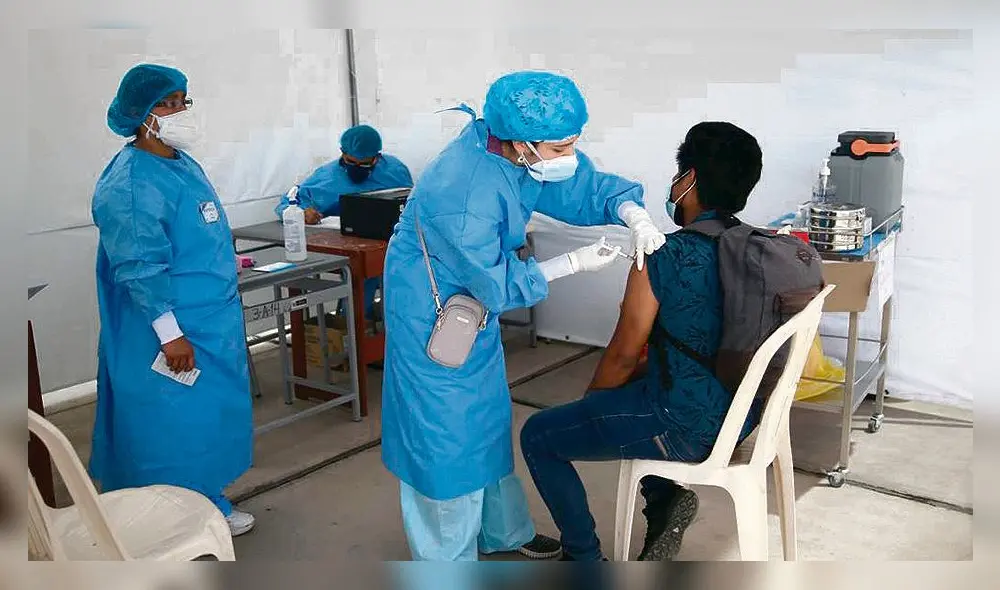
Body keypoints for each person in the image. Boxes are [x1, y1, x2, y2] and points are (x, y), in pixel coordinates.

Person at [380, 71, 666, 561]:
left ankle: (501, 532)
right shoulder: (464, 191)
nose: (568, 155)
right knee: (446, 438)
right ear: (522, 141)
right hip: (433, 314)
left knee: (486, 418)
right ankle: (447, 560)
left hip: (473, 309)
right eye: (559, 147)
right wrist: (568, 263)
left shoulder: (514, 153)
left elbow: (577, 184)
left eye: (572, 143)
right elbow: (494, 282)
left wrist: (630, 210)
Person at [519, 122, 765, 561]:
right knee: (639, 390)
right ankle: (665, 499)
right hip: (743, 415)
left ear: (688, 180)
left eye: (677, 175)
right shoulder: (756, 247)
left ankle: (583, 557)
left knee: (540, 434)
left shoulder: (663, 255)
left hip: (687, 429)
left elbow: (623, 352)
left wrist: (591, 405)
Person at [89, 64, 255, 537]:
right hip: (168, 329)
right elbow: (140, 266)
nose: (180, 111)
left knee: (204, 422)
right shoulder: (132, 183)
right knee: (167, 425)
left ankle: (204, 501)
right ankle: (164, 521)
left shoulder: (178, 162)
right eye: (166, 103)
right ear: (140, 114)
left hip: (209, 320)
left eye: (184, 100)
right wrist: (170, 334)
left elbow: (194, 232)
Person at [274, 124, 413, 318]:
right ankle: (352, 329)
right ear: (342, 153)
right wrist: (304, 212)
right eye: (351, 162)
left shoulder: (395, 171)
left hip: (393, 243)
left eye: (365, 164)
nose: (357, 169)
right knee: (363, 276)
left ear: (377, 157)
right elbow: (287, 203)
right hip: (351, 248)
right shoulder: (326, 177)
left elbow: (412, 202)